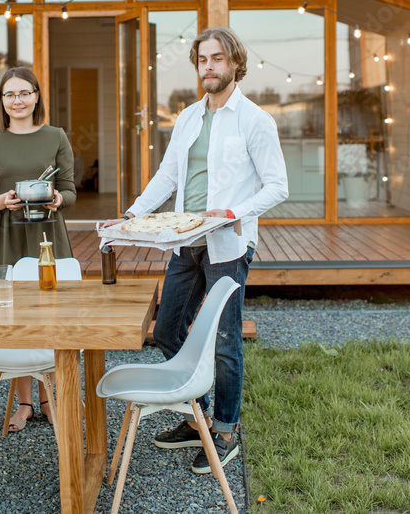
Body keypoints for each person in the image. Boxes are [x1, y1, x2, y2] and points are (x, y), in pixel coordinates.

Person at [104, 27, 288, 473]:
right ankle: (198, 416)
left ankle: (225, 431)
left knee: (225, 341)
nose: (209, 66)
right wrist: (131, 217)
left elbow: (278, 187)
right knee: (167, 329)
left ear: (235, 64)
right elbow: (167, 178)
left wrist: (231, 213)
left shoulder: (255, 120)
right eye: (203, 59)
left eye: (218, 59)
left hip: (228, 243)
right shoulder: (187, 117)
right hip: (185, 243)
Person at [0, 66, 76, 431]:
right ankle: (23, 403)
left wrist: (58, 198)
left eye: (23, 93)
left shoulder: (56, 136)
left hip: (47, 234)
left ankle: (49, 398)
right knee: (13, 319)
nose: (16, 101)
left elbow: (70, 190)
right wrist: (2, 200)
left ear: (36, 96)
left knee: (50, 315)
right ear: (1, 101)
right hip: (7, 235)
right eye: (9, 94)